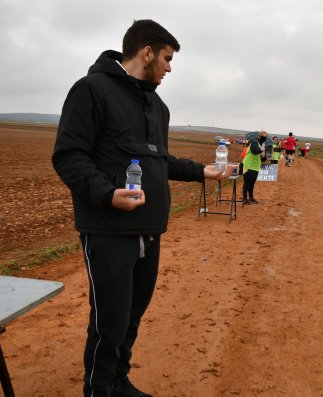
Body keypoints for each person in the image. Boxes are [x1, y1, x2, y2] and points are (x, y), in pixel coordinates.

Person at [52, 20, 230, 397]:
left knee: (131, 318)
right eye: (167, 58)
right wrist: (106, 193)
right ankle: (98, 390)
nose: (169, 67)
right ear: (146, 52)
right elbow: (69, 156)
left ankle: (118, 382)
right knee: (109, 322)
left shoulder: (156, 104)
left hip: (150, 229)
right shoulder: (91, 90)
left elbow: (158, 161)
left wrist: (202, 171)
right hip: (107, 229)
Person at [242, 130, 267, 204]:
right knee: (247, 183)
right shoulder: (254, 142)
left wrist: (265, 156)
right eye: (263, 136)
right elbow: (254, 151)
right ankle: (244, 199)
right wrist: (261, 150)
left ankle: (251, 197)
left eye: (265, 137)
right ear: (259, 136)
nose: (264, 138)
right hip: (248, 166)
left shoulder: (261, 145)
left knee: (252, 183)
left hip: (255, 167)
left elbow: (262, 159)